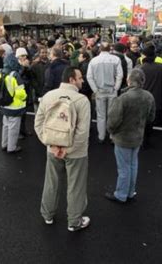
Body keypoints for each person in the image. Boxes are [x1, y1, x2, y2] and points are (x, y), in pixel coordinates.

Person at [34, 66, 91, 232]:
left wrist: (51, 145)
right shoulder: (82, 100)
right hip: (77, 152)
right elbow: (82, 132)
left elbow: (39, 124)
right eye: (80, 78)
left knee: (52, 181)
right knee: (76, 185)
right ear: (72, 79)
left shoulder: (48, 96)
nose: (82, 80)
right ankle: (74, 221)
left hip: (53, 148)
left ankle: (47, 215)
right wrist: (69, 149)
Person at [105, 68, 155, 203]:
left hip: (122, 138)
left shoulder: (123, 98)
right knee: (133, 164)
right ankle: (130, 191)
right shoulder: (149, 96)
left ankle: (121, 194)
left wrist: (111, 132)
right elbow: (151, 118)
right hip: (138, 136)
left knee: (124, 167)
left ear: (129, 80)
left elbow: (113, 121)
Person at [86, 42, 123, 143]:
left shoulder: (93, 61)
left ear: (100, 49)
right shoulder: (116, 59)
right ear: (110, 49)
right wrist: (116, 88)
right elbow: (120, 75)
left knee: (101, 115)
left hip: (100, 91)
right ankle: (111, 135)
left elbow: (89, 77)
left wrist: (95, 90)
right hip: (112, 91)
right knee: (112, 114)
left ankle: (101, 136)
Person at [0, 54, 27, 153]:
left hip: (3, 104)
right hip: (15, 107)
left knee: (6, 125)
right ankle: (12, 148)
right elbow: (20, 93)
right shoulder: (14, 75)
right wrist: (25, 98)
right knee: (14, 128)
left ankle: (4, 144)